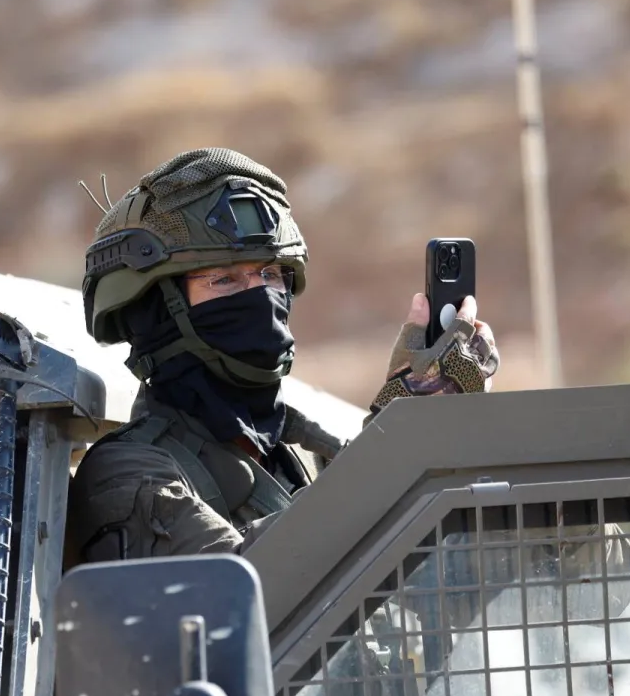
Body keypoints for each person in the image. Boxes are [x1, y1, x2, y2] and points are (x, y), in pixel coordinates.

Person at [65, 147, 500, 566]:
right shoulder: (127, 475)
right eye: (224, 280)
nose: (259, 297)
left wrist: (443, 434)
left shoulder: (298, 454)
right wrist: (401, 439)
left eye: (271, 274)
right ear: (156, 312)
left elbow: (443, 598)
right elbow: (248, 595)